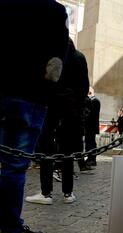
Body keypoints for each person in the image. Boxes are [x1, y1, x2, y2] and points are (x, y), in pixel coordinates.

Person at [0, 0, 69, 233]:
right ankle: (10, 231)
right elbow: (55, 65)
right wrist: (48, 95)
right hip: (28, 97)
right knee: (14, 166)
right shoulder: (53, 10)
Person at [26, 39, 90, 206]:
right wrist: (77, 106)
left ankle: (46, 193)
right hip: (72, 110)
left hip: (52, 107)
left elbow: (44, 82)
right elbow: (84, 86)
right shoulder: (79, 57)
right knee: (67, 151)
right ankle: (68, 193)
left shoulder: (54, 55)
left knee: (47, 148)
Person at [84, 87, 101, 167]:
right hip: (89, 126)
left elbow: (91, 114)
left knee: (91, 143)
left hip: (91, 126)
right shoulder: (92, 101)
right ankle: (90, 158)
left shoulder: (95, 101)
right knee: (88, 142)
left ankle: (92, 159)